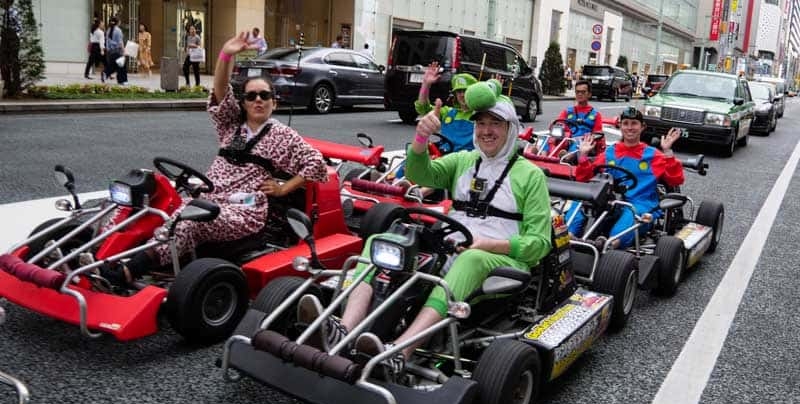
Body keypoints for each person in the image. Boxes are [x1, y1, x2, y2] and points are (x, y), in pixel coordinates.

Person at [297, 82, 552, 375]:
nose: (486, 131)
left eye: (495, 123)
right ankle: (344, 327)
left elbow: (539, 243)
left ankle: (400, 352)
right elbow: (420, 173)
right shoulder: (464, 161)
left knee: (470, 259)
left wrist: (488, 244)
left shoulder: (530, 176)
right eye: (481, 123)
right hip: (454, 246)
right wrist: (421, 137)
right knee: (385, 238)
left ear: (511, 128)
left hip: (502, 259)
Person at [100, 31, 328, 286]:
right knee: (146, 202)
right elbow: (221, 89)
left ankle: (131, 269)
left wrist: (283, 188)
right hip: (209, 196)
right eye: (251, 96)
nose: (258, 100)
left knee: (189, 220)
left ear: (274, 102)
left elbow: (316, 164)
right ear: (243, 103)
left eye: (264, 95)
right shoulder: (231, 126)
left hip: (245, 211)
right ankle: (99, 248)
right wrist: (226, 54)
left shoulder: (283, 136)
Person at [566, 107, 684, 249]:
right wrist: (583, 156)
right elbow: (583, 179)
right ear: (620, 126)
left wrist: (667, 151)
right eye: (626, 123)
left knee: (627, 220)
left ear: (642, 127)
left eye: (634, 123)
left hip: (639, 203)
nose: (630, 128)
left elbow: (675, 180)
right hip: (609, 200)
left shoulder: (653, 155)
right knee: (579, 202)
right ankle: (568, 237)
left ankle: (609, 245)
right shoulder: (609, 153)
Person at [526, 79, 603, 156]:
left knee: (578, 144)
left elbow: (598, 134)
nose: (580, 94)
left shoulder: (595, 114)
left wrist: (589, 137)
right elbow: (558, 124)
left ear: (589, 94)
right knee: (549, 139)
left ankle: (567, 157)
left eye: (583, 92)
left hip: (582, 141)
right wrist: (555, 125)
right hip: (566, 138)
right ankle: (542, 154)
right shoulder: (568, 111)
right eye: (577, 92)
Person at [414, 61, 478, 153]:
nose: (462, 95)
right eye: (459, 92)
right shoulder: (448, 112)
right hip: (444, 157)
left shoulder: (480, 115)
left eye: (465, 91)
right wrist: (426, 84)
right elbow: (422, 108)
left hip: (466, 162)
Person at [104, 17, 127, 85]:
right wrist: (123, 51)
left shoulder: (108, 30)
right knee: (121, 65)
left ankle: (106, 73)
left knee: (114, 65)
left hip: (110, 51)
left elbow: (107, 41)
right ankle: (121, 80)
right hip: (118, 50)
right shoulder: (118, 30)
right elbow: (120, 42)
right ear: (118, 22)